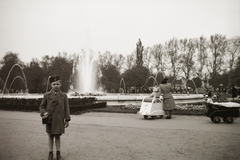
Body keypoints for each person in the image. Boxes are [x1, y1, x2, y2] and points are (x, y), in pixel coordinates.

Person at [39, 75, 71, 160]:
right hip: (50, 119)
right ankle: (50, 153)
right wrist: (43, 112)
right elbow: (42, 106)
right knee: (50, 136)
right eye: (54, 84)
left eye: (57, 84)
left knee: (57, 136)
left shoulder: (64, 96)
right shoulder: (47, 95)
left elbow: (67, 108)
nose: (56, 86)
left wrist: (67, 119)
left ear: (60, 85)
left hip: (59, 119)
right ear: (51, 85)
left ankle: (58, 153)